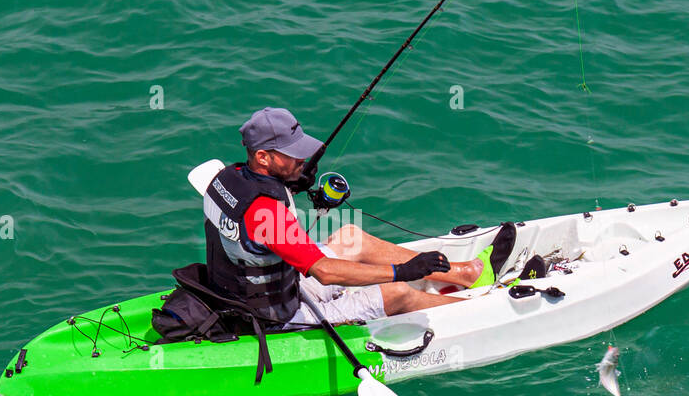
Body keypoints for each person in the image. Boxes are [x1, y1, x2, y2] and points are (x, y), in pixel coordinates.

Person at [202, 107, 493, 329]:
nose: (302, 160)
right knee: (399, 292)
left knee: (351, 238)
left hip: (256, 291)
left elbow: (248, 219)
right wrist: (403, 270)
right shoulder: (267, 214)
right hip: (276, 316)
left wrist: (288, 182)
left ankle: (462, 273)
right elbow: (324, 271)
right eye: (292, 155)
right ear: (264, 157)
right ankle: (480, 309)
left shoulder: (227, 178)